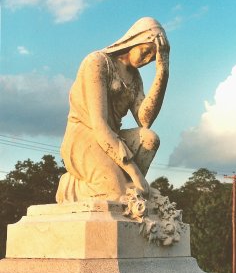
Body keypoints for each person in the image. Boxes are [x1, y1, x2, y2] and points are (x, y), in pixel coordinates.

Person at [56, 17, 170, 203]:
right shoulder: (98, 62)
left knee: (149, 139)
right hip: (85, 136)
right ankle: (72, 186)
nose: (147, 59)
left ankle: (124, 182)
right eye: (146, 51)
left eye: (152, 58)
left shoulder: (135, 77)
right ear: (135, 40)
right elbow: (99, 125)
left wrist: (162, 72)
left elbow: (145, 120)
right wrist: (136, 174)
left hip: (113, 139)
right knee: (117, 195)